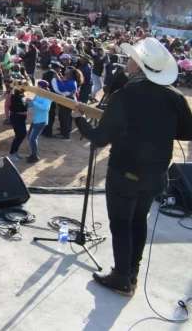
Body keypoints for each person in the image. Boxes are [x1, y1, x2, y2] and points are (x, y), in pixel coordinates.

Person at [72, 37, 192, 296]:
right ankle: (133, 274)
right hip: (157, 172)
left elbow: (100, 139)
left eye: (131, 60)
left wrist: (79, 119)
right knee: (139, 220)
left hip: (125, 171)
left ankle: (121, 277)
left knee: (121, 223)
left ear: (139, 66)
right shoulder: (175, 96)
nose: (127, 63)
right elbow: (186, 132)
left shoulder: (124, 95)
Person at [25, 80, 52, 163]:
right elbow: (33, 104)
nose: (37, 87)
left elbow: (46, 108)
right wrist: (28, 103)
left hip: (41, 120)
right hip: (36, 119)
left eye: (39, 86)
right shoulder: (38, 94)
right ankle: (34, 154)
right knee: (30, 137)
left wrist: (33, 102)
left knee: (32, 138)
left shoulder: (48, 96)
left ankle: (35, 156)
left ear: (43, 87)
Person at [54, 67, 81, 142]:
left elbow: (61, 89)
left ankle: (66, 136)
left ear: (71, 75)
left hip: (68, 102)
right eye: (65, 72)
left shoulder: (71, 82)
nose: (64, 74)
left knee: (64, 118)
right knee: (62, 117)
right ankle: (63, 133)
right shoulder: (71, 81)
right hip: (67, 101)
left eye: (66, 73)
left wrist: (58, 79)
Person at [7, 79, 28, 160]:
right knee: (20, 135)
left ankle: (15, 152)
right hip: (16, 117)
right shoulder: (13, 95)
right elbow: (15, 106)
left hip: (21, 117)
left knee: (20, 135)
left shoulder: (21, 94)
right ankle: (12, 153)